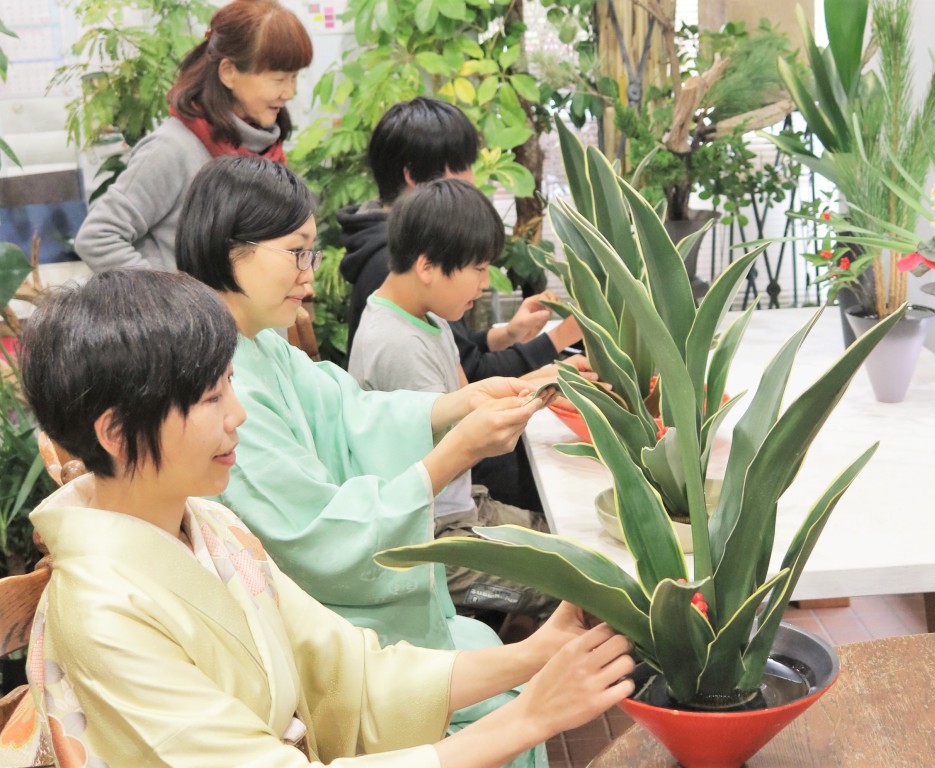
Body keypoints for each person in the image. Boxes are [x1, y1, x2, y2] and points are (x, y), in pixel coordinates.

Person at [10, 268, 635, 767]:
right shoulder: (101, 617)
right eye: (209, 398)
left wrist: (536, 654)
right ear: (116, 433)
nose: (239, 416)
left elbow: (351, 674)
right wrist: (527, 717)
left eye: (230, 384)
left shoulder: (211, 525)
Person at [175, 156, 554, 766]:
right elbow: (311, 533)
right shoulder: (215, 382)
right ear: (233, 250)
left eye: (312, 252)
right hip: (313, 624)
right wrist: (456, 446)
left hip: (328, 603)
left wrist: (458, 403)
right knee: (507, 707)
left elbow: (349, 414)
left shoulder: (261, 342)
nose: (309, 272)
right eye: (297, 252)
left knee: (486, 652)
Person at [338, 96, 590, 509]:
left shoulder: (424, 305)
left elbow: (463, 387)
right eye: (462, 168)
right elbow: (457, 435)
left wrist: (540, 372)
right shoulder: (394, 307)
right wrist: (552, 353)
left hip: (462, 493)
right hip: (442, 514)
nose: (472, 180)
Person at [347, 178, 558, 620]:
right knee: (563, 586)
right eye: (478, 269)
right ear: (428, 266)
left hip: (465, 510)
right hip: (435, 551)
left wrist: (541, 377)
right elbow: (459, 442)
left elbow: (468, 396)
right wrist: (538, 388)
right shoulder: (398, 344)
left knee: (568, 542)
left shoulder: (428, 316)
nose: (483, 284)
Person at [74, 0, 312, 273]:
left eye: (294, 78)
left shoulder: (265, 149)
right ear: (229, 72)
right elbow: (97, 238)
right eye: (279, 79)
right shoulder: (172, 149)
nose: (289, 92)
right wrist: (171, 302)